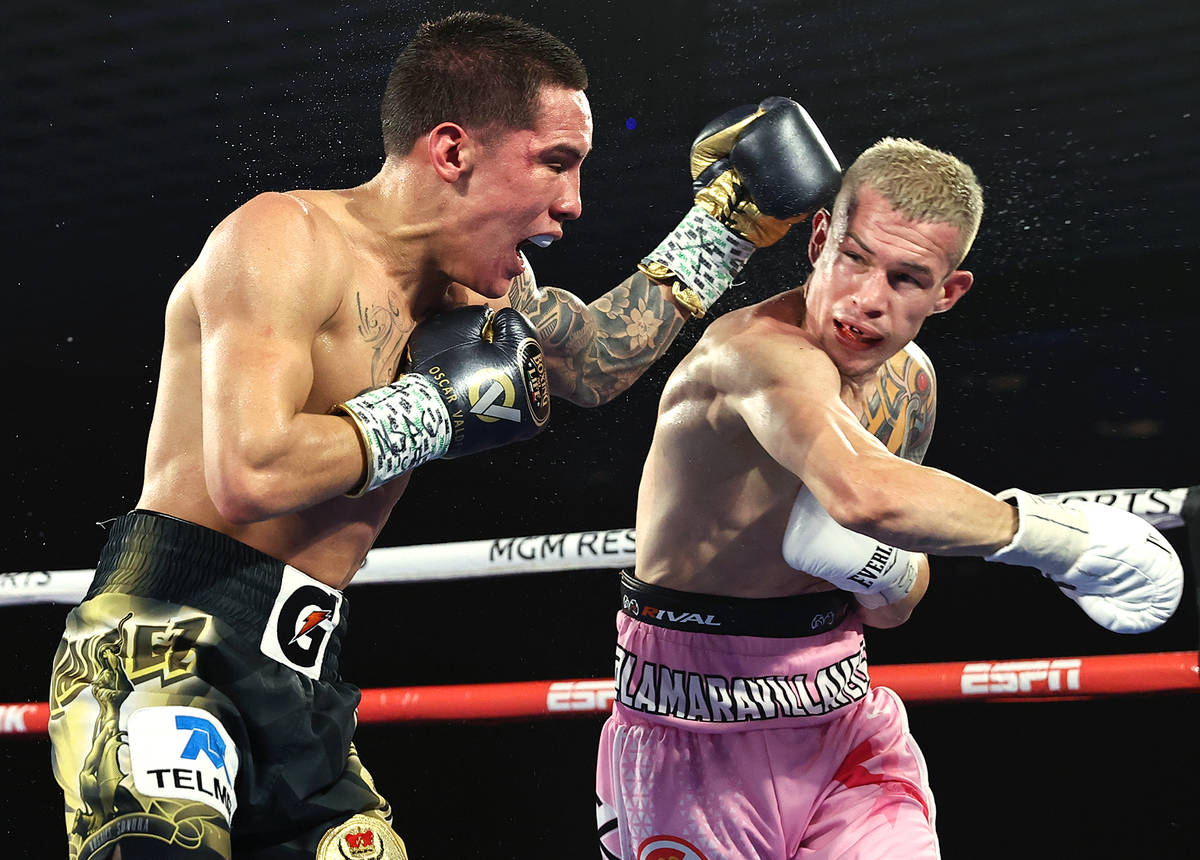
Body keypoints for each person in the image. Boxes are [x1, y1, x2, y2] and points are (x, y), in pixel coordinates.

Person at [47, 11, 842, 860]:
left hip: (305, 675)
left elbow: (595, 364)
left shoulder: (483, 299)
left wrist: (720, 230)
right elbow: (250, 470)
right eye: (556, 163)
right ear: (453, 151)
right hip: (166, 644)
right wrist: (432, 410)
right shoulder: (281, 238)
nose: (570, 205)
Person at [595, 136, 1183, 859]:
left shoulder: (913, 385)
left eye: (907, 279)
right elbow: (863, 493)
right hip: (693, 725)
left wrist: (877, 570)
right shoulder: (751, 354)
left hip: (844, 709)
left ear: (948, 292)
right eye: (855, 257)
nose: (868, 301)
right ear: (818, 240)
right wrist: (1069, 542)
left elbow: (896, 601)